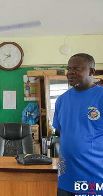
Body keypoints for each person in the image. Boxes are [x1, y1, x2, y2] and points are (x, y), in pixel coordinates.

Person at [53, 53, 103, 196]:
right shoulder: (61, 100)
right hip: (66, 178)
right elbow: (62, 132)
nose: (71, 73)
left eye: (76, 68)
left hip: (94, 177)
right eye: (69, 69)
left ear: (91, 71)